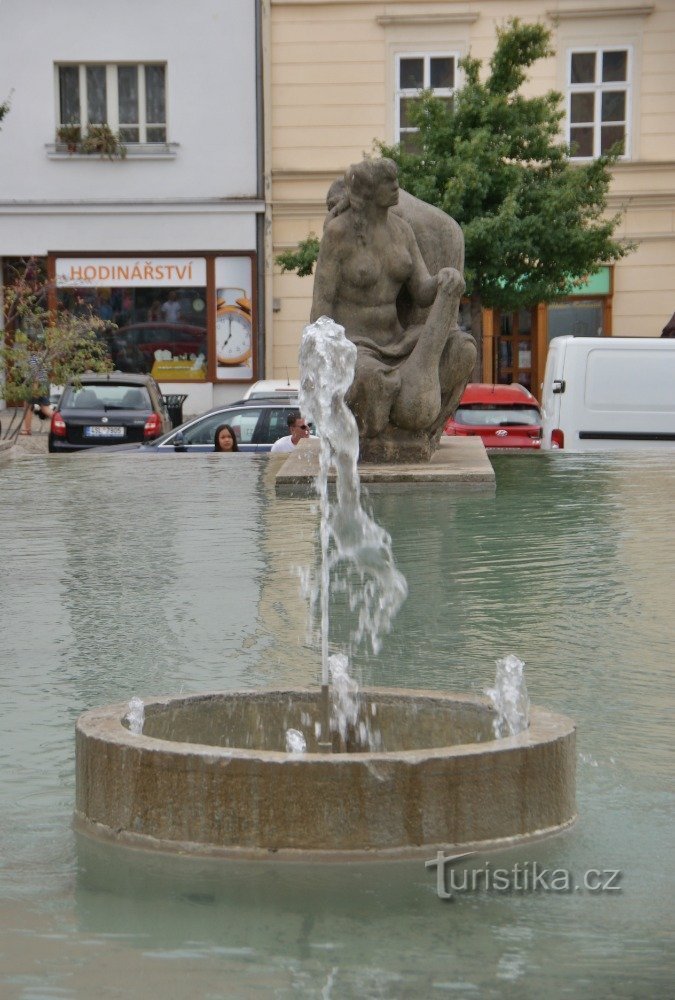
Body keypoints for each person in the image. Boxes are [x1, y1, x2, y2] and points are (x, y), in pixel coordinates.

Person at [311, 157, 475, 450]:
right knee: (372, 379)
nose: (396, 187)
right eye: (388, 183)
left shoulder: (402, 231)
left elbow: (422, 290)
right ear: (368, 191)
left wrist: (442, 280)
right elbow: (322, 303)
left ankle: (416, 431)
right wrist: (325, 356)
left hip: (398, 340)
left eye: (395, 180)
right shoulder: (339, 234)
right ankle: (373, 440)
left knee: (462, 347)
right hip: (356, 345)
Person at [21, 350, 53, 435]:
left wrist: (35, 386)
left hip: (35, 384)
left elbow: (35, 372)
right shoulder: (45, 359)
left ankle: (27, 430)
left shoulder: (33, 358)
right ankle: (63, 422)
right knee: (45, 408)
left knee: (27, 406)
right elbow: (49, 370)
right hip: (44, 384)